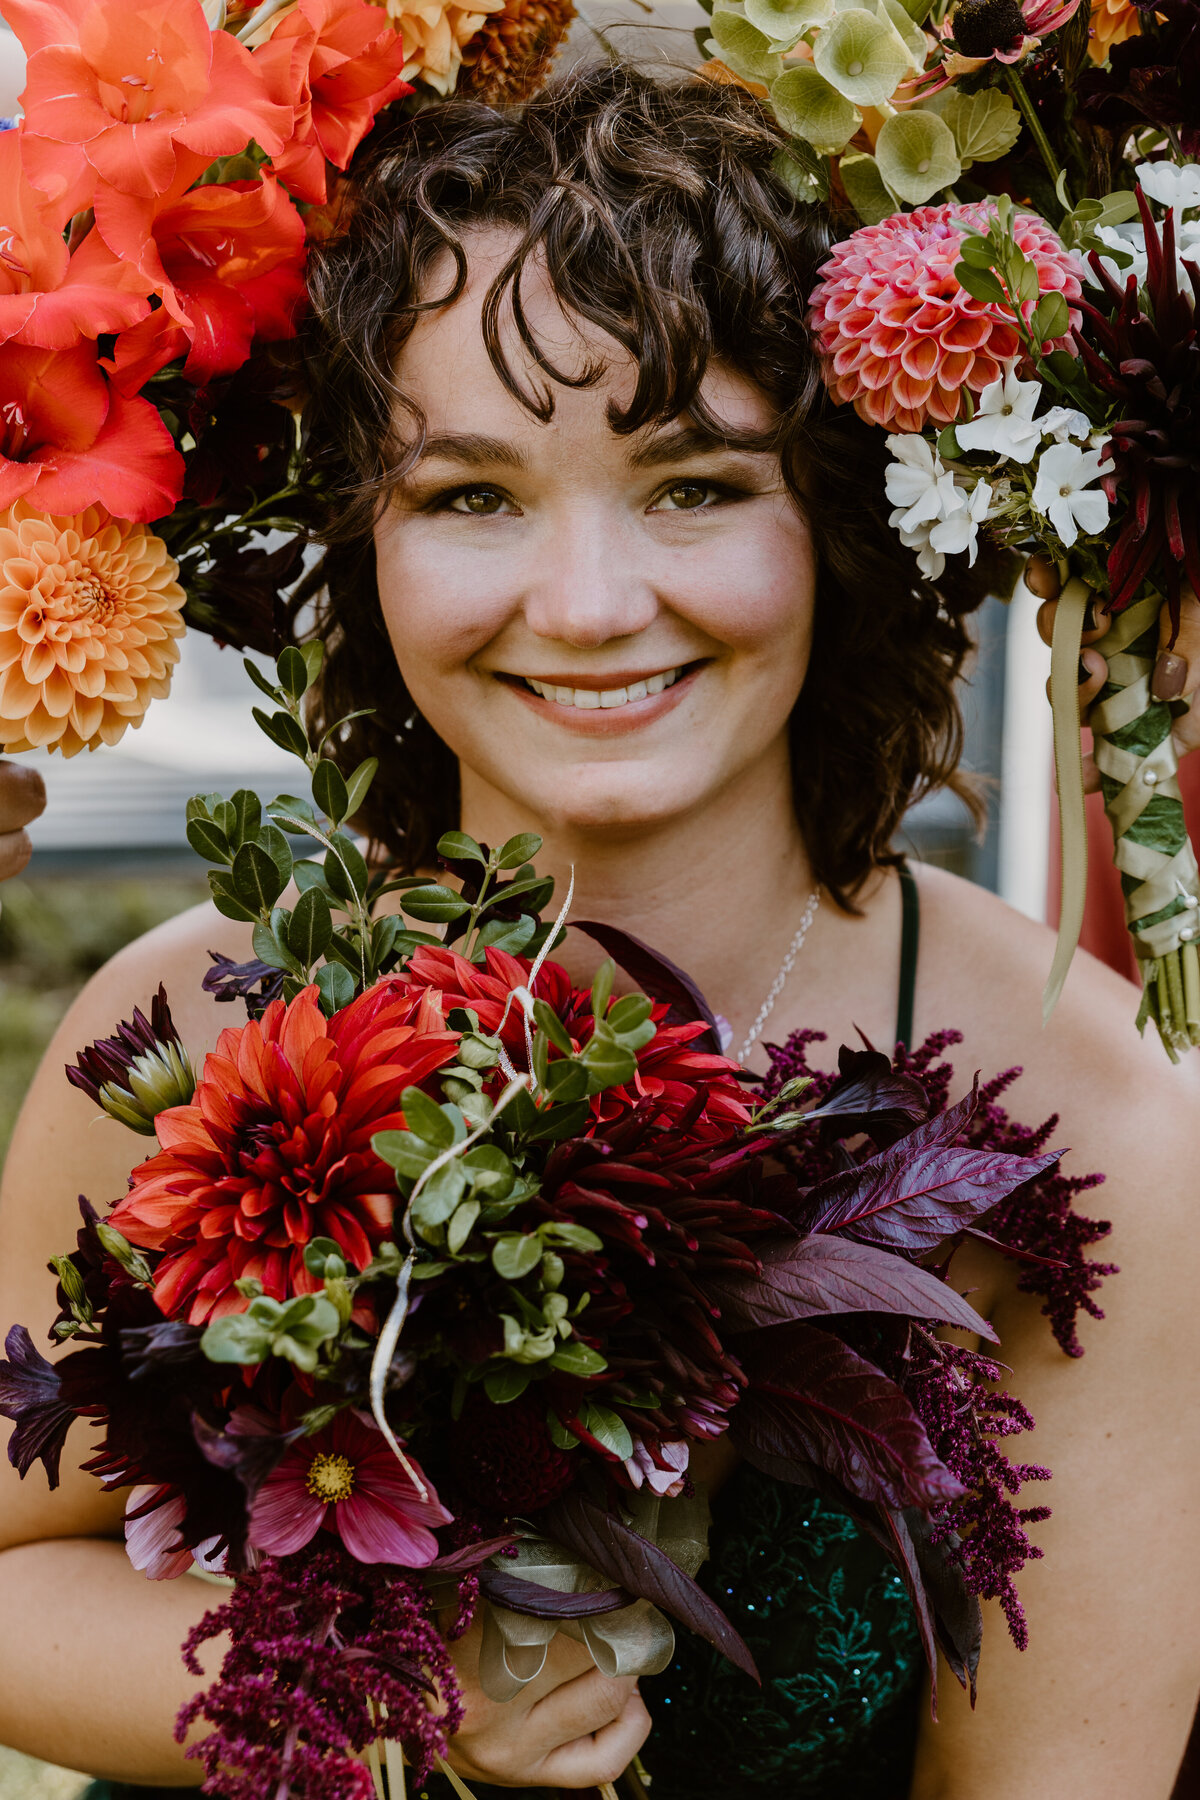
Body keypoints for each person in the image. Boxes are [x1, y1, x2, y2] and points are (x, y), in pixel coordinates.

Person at [2, 64, 1200, 1800]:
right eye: (472, 497)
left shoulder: (1092, 1135)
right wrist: (390, 1696)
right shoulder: (184, 1034)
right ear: (368, 541)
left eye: (696, 486)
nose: (585, 606)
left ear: (836, 526)